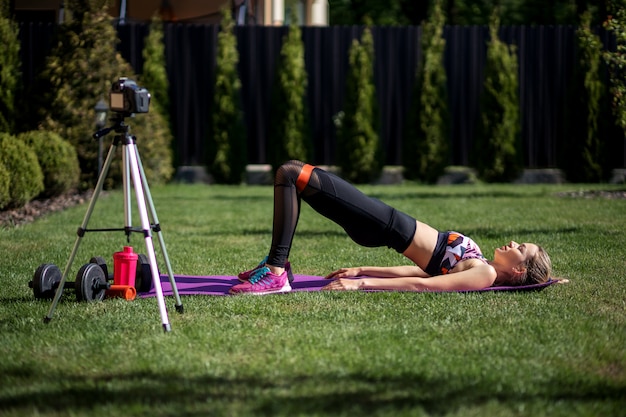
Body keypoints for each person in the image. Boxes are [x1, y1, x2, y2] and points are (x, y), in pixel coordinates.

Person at [230, 160, 552, 295]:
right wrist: (360, 269)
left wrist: (362, 285)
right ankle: (275, 265)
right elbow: (426, 273)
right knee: (294, 174)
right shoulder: (481, 265)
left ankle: (275, 272)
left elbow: (424, 287)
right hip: (382, 222)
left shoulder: (486, 275)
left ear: (521, 271)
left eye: (521, 249)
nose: (514, 243)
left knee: (291, 173)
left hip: (383, 223)